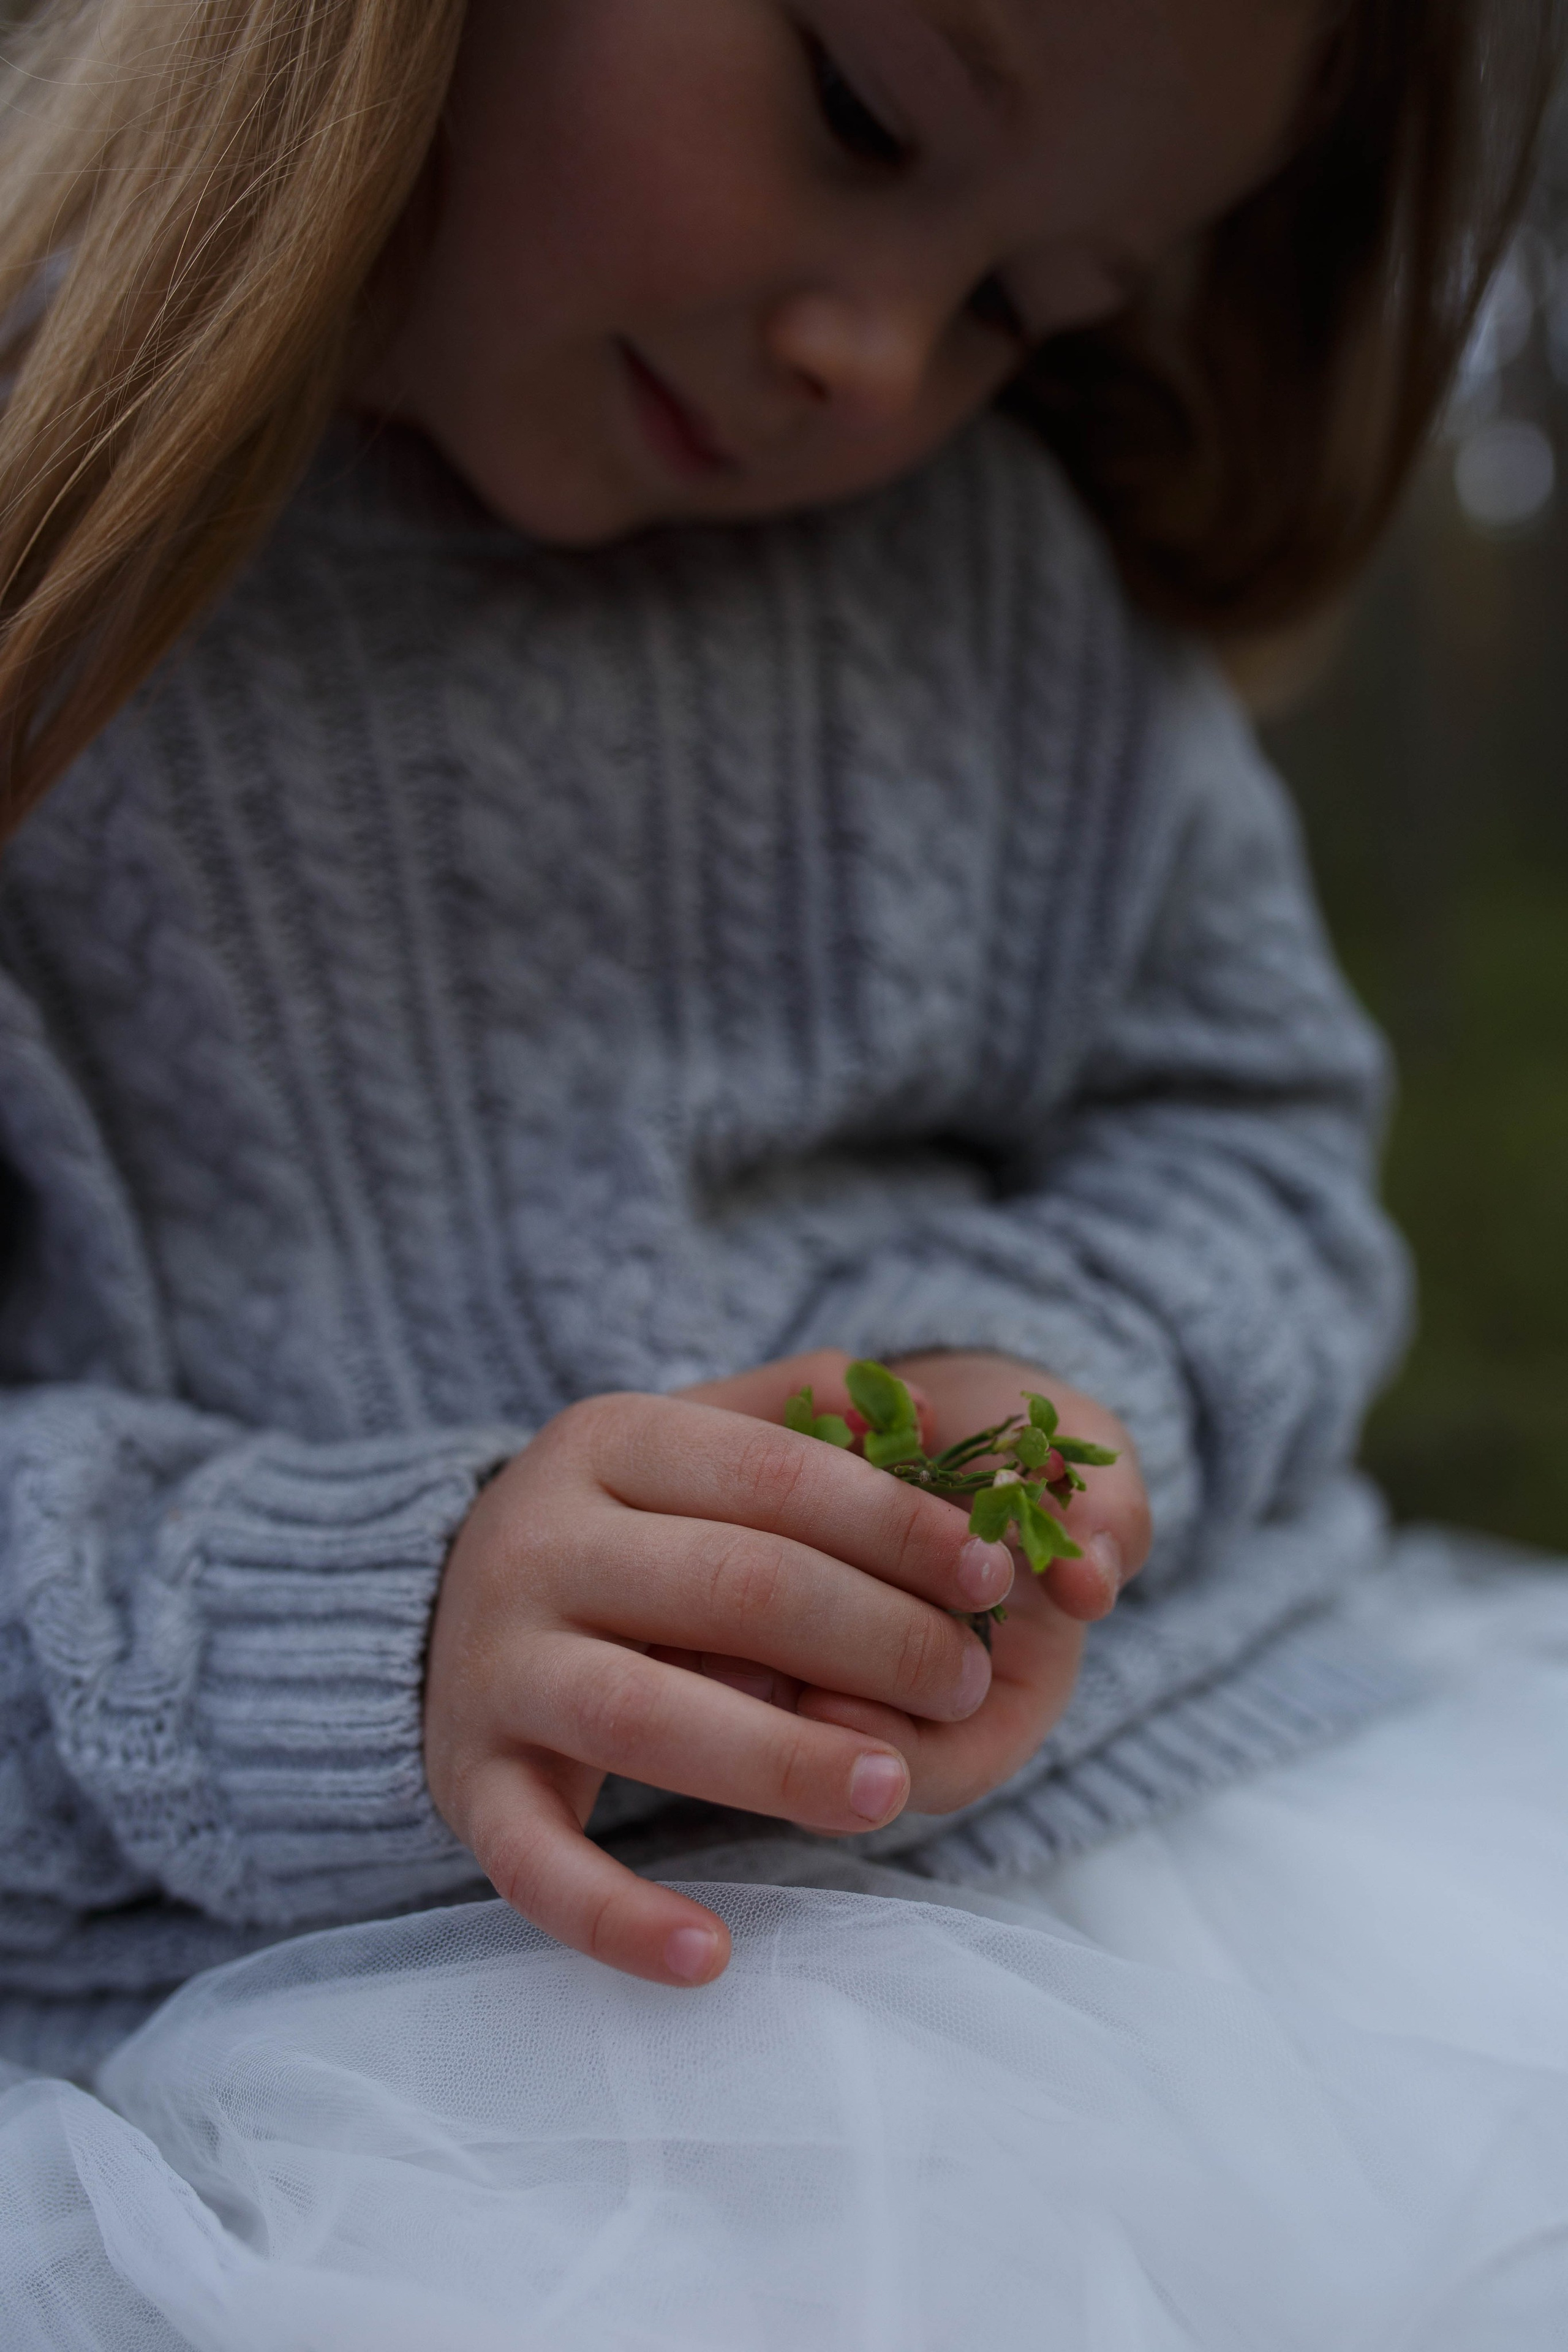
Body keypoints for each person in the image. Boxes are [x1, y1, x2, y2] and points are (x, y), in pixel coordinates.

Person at [1, 2, 1566, 2343]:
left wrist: (1045, 1391)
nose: (881, 355)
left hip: (1168, 1878)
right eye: (864, 115)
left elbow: (1246, 1139)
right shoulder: (59, 568)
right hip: (321, 2076)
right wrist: (385, 1632)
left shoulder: (995, 578)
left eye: (1028, 301)